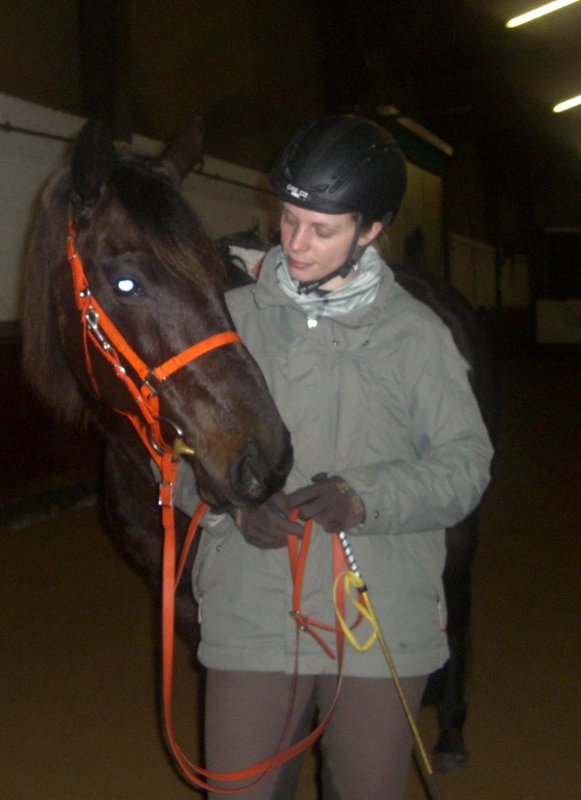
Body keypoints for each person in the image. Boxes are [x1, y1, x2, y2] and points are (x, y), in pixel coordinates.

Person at [168, 115, 493, 800]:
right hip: (253, 617)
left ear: (370, 229)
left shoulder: (417, 336)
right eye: (288, 220)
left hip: (376, 623)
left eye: (322, 229)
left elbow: (466, 465)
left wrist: (365, 496)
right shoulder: (228, 324)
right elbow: (173, 457)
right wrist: (230, 502)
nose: (295, 243)